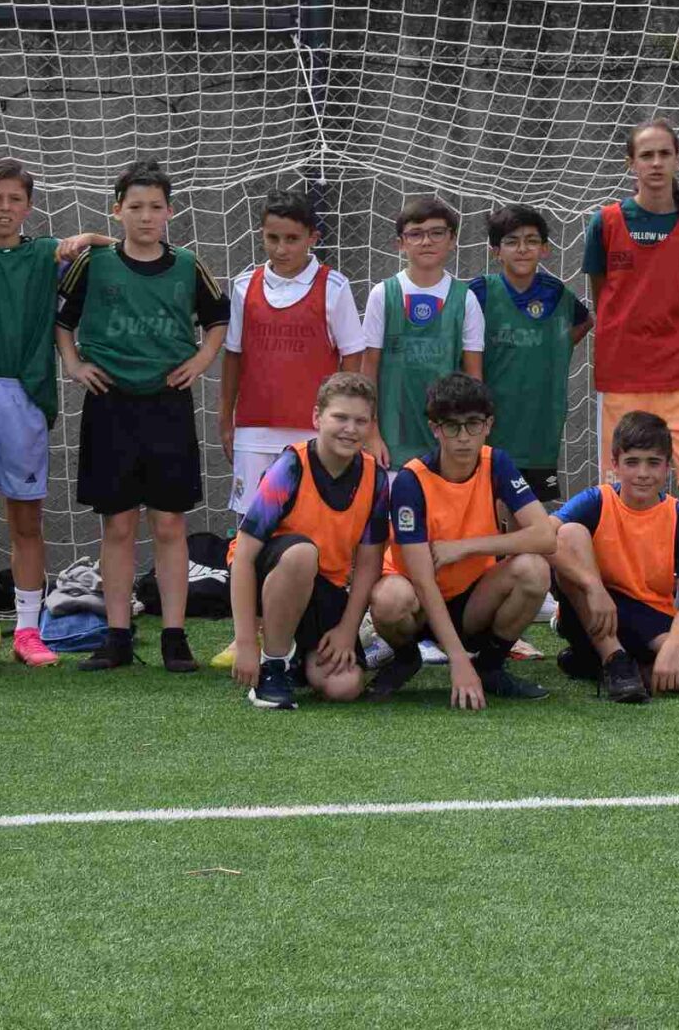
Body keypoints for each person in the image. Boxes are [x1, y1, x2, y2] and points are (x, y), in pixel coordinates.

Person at [54, 160, 230, 674]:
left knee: (171, 523)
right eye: (136, 207)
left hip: (166, 405)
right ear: (118, 211)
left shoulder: (188, 264)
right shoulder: (96, 261)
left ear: (170, 212)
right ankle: (116, 636)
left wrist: (199, 361)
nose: (146, 216)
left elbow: (218, 320)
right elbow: (63, 322)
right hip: (110, 405)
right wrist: (74, 364)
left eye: (156, 207)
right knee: (118, 526)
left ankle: (174, 637)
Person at [0, 158, 101, 668]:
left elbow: (112, 248)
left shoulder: (45, 256)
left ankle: (28, 631)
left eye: (15, 199)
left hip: (26, 397)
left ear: (29, 206)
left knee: (26, 519)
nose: (5, 208)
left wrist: (87, 237)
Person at [215, 188, 368, 668]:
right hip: (255, 429)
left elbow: (352, 361)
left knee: (308, 532)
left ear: (312, 238)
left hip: (311, 435)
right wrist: (226, 419)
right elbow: (233, 357)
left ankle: (305, 627)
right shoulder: (244, 286)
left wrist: (345, 427)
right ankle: (251, 634)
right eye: (271, 238)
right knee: (249, 531)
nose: (281, 248)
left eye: (291, 238)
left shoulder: (335, 287)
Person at [370, 374, 558, 705]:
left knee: (535, 569)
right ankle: (406, 657)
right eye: (452, 426)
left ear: (488, 425)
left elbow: (545, 536)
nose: (463, 437)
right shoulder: (411, 481)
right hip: (417, 604)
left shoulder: (497, 462)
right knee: (389, 599)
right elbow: (423, 579)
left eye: (473, 425)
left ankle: (489, 668)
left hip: (472, 601)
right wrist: (457, 660)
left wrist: (467, 547)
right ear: (435, 429)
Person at [584, 118, 679, 526]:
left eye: (664, 154)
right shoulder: (605, 223)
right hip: (623, 378)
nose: (656, 163)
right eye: (647, 155)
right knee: (621, 495)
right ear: (631, 163)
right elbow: (602, 292)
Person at [230, 373, 391, 710]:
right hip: (273, 575)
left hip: (324, 587)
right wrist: (245, 641)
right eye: (340, 417)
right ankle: (272, 663)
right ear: (317, 417)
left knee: (344, 686)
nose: (350, 428)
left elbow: (369, 563)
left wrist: (348, 629)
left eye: (360, 421)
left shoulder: (375, 477)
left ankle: (298, 658)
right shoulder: (290, 466)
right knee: (303, 554)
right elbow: (243, 556)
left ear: (371, 425)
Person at [548, 411, 679, 701]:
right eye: (632, 462)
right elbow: (543, 536)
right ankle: (612, 658)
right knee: (569, 533)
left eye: (653, 463)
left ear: (668, 467)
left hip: (648, 617)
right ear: (615, 464)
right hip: (594, 608)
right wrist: (594, 587)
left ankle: (604, 668)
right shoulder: (596, 500)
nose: (642, 474)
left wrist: (673, 648)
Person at [474, 203, 592, 506]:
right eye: (511, 242)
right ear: (495, 251)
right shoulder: (480, 292)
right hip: (492, 427)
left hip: (540, 428)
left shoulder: (557, 294)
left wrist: (556, 348)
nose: (522, 249)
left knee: (530, 514)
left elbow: (586, 320)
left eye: (531, 241)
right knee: (489, 508)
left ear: (545, 249)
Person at [361, 195, 483, 466]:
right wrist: (371, 433)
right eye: (415, 234)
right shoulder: (383, 294)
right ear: (400, 244)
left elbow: (474, 378)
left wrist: (471, 437)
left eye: (437, 233)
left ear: (452, 240)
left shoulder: (466, 299)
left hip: (445, 441)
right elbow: (368, 369)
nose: (426, 241)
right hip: (390, 442)